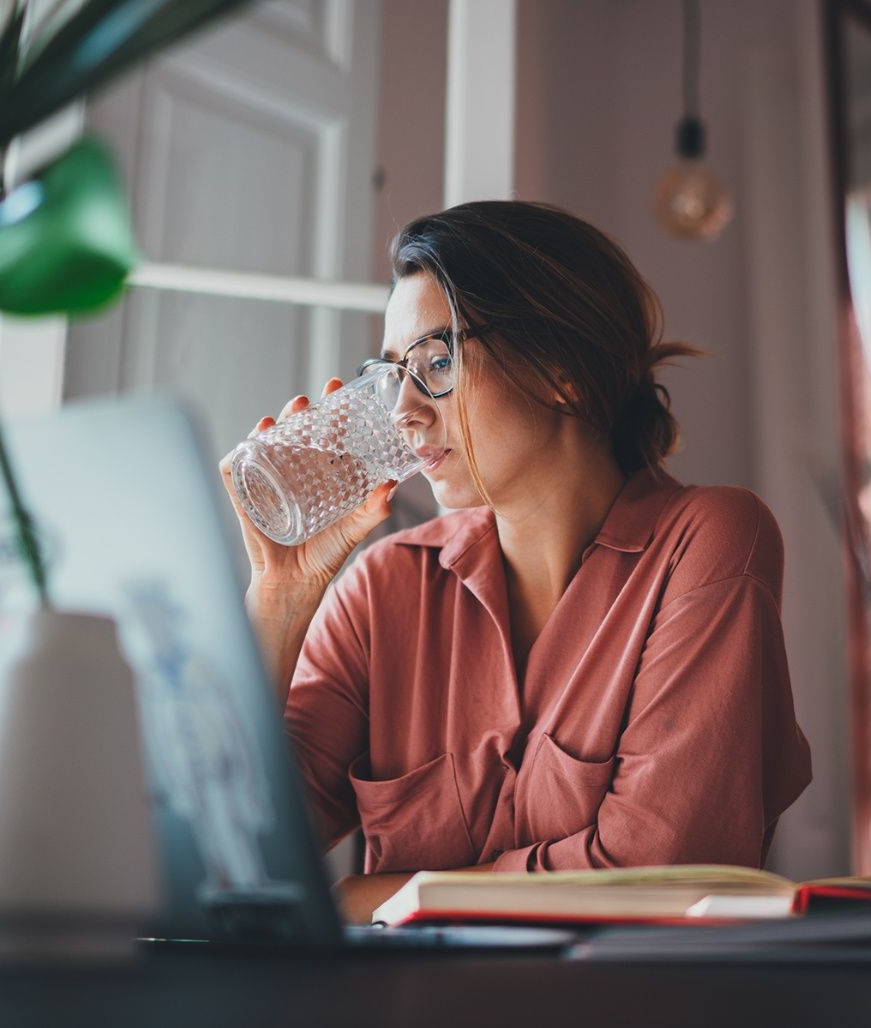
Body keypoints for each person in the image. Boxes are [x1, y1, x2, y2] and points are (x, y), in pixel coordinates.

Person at [220, 201, 811, 917]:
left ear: (561, 368)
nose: (403, 411)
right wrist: (280, 598)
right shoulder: (383, 591)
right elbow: (227, 856)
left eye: (436, 363)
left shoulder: (708, 540)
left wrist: (362, 898)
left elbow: (660, 876)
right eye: (392, 373)